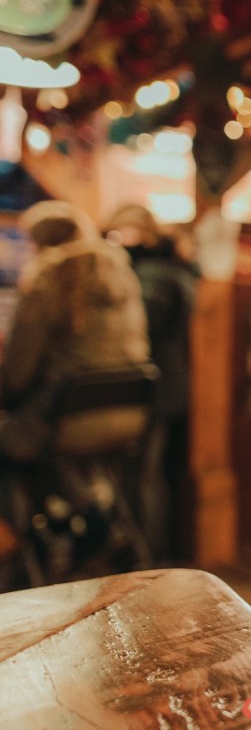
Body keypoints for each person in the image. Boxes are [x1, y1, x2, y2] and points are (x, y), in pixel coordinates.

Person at [0, 201, 149, 463]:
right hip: (128, 413)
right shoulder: (122, 274)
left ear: (40, 242)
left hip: (64, 418)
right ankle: (85, 499)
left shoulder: (47, 279)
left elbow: (16, 376)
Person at [105, 204, 199, 563]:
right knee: (153, 473)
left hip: (153, 385)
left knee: (145, 475)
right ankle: (152, 550)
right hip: (168, 381)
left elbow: (143, 328)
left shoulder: (150, 274)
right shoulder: (171, 268)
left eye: (120, 234)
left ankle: (145, 556)